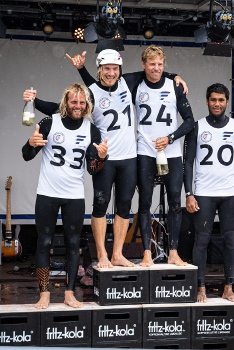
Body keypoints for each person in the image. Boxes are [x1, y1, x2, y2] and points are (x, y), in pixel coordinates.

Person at [64, 50, 189, 268]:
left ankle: (117, 254)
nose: (111, 73)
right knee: (100, 205)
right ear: (99, 69)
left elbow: (153, 71)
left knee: (124, 206)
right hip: (106, 156)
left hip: (129, 156)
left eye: (115, 68)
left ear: (120, 69)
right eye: (106, 69)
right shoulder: (91, 91)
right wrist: (80, 69)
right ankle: (102, 254)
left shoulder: (128, 82)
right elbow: (70, 106)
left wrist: (175, 75)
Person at [23, 83, 108, 309]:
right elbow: (26, 155)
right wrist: (31, 144)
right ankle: (45, 292)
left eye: (81, 102)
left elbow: (92, 169)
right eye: (73, 101)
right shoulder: (50, 122)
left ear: (87, 104)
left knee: (72, 244)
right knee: (44, 243)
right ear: (65, 102)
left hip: (73, 196)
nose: (77, 106)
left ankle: (69, 293)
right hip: (47, 193)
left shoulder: (91, 130)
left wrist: (101, 157)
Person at [184, 83, 234, 302]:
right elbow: (188, 163)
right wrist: (189, 193)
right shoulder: (197, 127)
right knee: (201, 241)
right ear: (207, 101)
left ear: (227, 102)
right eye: (213, 99)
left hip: (230, 194)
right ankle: (200, 287)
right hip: (203, 193)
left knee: (230, 240)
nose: (217, 104)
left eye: (221, 100)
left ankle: (228, 288)